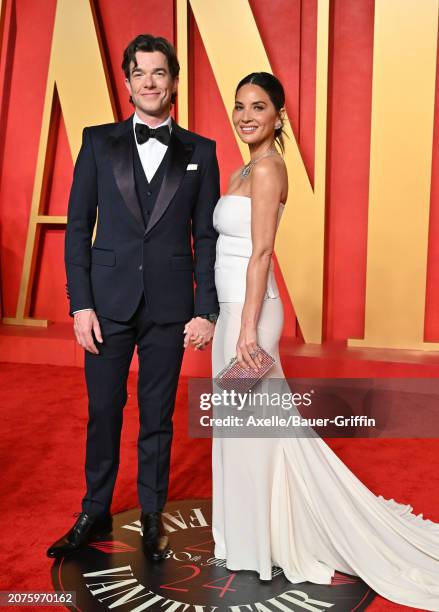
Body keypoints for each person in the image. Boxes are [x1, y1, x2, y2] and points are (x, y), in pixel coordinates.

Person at [198, 71, 439, 610]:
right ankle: (245, 539)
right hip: (237, 315)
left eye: (258, 107)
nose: (246, 116)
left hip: (253, 320)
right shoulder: (244, 167)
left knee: (251, 432)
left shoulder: (267, 169)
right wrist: (220, 316)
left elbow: (261, 253)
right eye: (239, 106)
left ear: (278, 116)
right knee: (243, 430)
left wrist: (244, 330)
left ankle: (260, 545)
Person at [47, 34, 220, 561]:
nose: (149, 82)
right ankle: (94, 509)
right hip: (106, 306)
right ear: (126, 84)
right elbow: (77, 228)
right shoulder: (98, 142)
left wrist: (205, 308)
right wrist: (80, 303)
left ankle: (151, 513)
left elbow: (207, 236)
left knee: (158, 416)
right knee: (104, 412)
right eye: (139, 73)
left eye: (159, 73)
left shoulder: (202, 151)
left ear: (174, 81)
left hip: (170, 309)